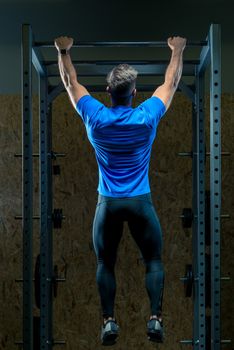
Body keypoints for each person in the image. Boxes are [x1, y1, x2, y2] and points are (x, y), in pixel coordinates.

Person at [55, 35, 186, 346]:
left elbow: (69, 81)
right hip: (140, 203)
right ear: (135, 93)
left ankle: (109, 321)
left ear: (108, 92)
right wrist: (177, 50)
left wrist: (63, 50)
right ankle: (155, 317)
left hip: (109, 204)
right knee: (153, 260)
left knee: (105, 263)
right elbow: (172, 81)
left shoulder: (95, 118)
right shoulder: (146, 117)